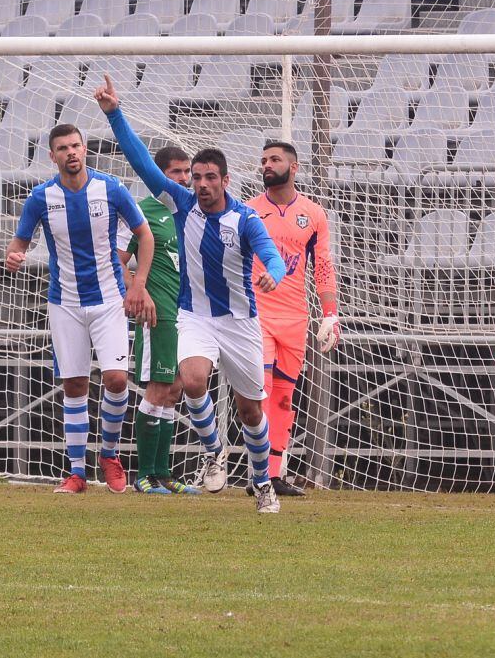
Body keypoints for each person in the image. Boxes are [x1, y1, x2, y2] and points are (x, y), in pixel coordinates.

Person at [94, 75, 289, 514]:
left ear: (226, 179)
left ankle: (263, 485)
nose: (200, 184)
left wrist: (273, 276)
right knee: (194, 378)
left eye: (208, 178)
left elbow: (271, 257)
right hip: (193, 316)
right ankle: (214, 450)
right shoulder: (181, 204)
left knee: (252, 412)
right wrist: (114, 114)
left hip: (240, 322)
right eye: (195, 177)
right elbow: (142, 162)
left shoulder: (245, 219)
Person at [5, 123, 156, 495]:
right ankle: (76, 472)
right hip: (65, 302)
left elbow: (144, 235)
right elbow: (19, 242)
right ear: (52, 155)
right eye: (63, 148)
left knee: (117, 379)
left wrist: (137, 284)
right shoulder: (41, 198)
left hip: (108, 300)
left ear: (85, 149)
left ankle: (109, 455)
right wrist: (14, 255)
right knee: (73, 384)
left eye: (76, 145)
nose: (71, 152)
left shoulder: (111, 189)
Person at [244, 141, 340, 497]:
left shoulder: (313, 214)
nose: (267, 164)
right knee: (262, 392)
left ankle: (271, 475)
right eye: (264, 159)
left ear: (294, 167)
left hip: (296, 317)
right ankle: (258, 475)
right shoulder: (249, 211)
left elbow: (324, 267)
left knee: (284, 399)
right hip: (258, 314)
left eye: (274, 159)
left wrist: (330, 314)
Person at [117, 145, 201, 496]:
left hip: (188, 315)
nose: (184, 179)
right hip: (158, 312)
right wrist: (139, 289)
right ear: (159, 177)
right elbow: (115, 260)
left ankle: (163, 473)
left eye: (188, 173)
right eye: (176, 173)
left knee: (175, 389)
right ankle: (144, 474)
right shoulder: (140, 212)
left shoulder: (192, 213)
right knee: (156, 388)